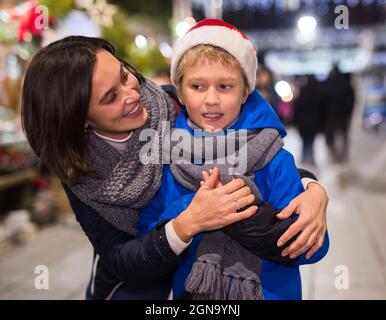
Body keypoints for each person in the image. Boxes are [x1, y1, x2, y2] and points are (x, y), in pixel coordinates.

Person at [21, 35, 328, 300]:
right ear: (81, 120)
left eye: (125, 75)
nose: (133, 94)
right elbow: (120, 258)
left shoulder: (177, 106)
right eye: (110, 97)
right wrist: (189, 220)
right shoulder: (81, 171)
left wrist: (311, 187)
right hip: (139, 286)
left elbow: (253, 147)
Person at [140, 19, 329, 300]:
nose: (212, 99)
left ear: (245, 92)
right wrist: (195, 211)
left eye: (225, 86)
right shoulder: (168, 158)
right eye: (198, 86)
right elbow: (148, 240)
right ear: (179, 91)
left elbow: (314, 246)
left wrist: (240, 216)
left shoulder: (274, 158)